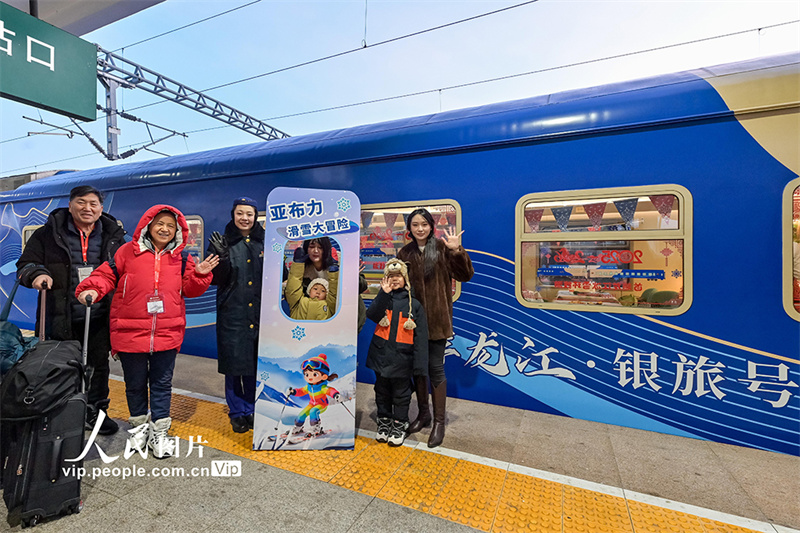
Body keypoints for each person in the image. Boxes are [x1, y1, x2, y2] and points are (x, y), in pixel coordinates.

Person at [76, 205, 218, 458]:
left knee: (162, 384)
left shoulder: (183, 258)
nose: (165, 229)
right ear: (148, 225)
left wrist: (200, 275)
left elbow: (191, 290)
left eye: (171, 226)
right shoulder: (126, 253)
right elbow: (106, 275)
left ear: (178, 231)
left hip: (167, 331)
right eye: (160, 224)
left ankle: (160, 431)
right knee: (135, 384)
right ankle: (139, 428)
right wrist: (91, 289)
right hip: (130, 332)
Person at [16, 185, 126, 435]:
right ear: (70, 204)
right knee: (58, 367)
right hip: (59, 315)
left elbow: (126, 268)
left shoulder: (114, 237)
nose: (88, 208)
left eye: (93, 204)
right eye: (81, 202)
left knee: (98, 367)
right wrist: (36, 273)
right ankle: (58, 413)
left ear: (101, 208)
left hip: (98, 316)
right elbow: (24, 264)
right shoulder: (47, 234)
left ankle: (96, 411)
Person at [396, 208, 473, 448]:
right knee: (418, 370)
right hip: (412, 322)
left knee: (436, 369)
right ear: (409, 228)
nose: (420, 229)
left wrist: (456, 251)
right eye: (415, 225)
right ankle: (423, 415)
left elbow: (466, 275)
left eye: (424, 224)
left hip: (438, 321)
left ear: (431, 226)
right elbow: (400, 286)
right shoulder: (405, 252)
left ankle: (439, 422)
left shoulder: (441, 249)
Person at [206, 197, 264, 433]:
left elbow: (278, 273)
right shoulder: (222, 242)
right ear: (233, 215)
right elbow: (216, 280)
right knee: (234, 368)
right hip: (233, 314)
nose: (244, 218)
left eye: (249, 214)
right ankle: (237, 411)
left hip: (259, 314)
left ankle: (251, 408)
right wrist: (222, 258)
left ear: (255, 216)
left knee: (253, 365)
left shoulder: (265, 243)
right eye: (240, 213)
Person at [365, 259, 428, 446]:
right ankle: (384, 422)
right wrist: (382, 295)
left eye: (398, 276)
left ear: (405, 279)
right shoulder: (384, 299)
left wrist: (419, 366)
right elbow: (372, 315)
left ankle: (399, 424)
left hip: (403, 358)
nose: (394, 279)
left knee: (402, 394)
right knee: (381, 390)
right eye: (391, 276)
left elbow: (421, 338)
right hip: (381, 356)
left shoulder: (414, 305)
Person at [283, 354, 340, 443]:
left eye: (314, 374)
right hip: (311, 404)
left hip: (322, 405)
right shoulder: (309, 387)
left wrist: (335, 394)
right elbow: (301, 391)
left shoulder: (322, 387)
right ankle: (298, 427)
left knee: (313, 412)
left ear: (324, 376)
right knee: (302, 414)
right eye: (306, 374)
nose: (309, 377)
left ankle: (315, 428)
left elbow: (330, 390)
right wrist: (293, 392)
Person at [285, 249, 338, 320]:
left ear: (327, 294)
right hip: (299, 330)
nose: (318, 292)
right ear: (309, 290)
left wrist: (333, 270)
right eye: (315, 289)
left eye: (323, 291)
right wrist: (298, 264)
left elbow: (334, 293)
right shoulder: (299, 302)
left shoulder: (329, 305)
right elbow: (293, 287)